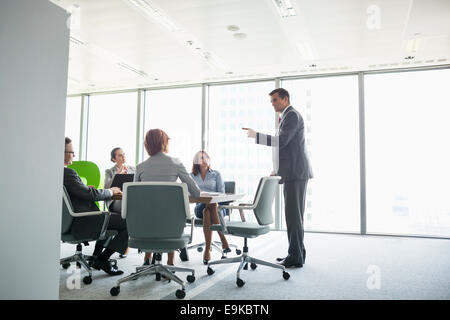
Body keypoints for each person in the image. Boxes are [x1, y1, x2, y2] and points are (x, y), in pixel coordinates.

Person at [243, 88, 313, 268]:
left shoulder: (292, 116)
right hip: (291, 172)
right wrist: (276, 170)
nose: (272, 104)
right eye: (271, 101)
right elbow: (287, 148)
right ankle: (296, 254)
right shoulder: (287, 116)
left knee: (293, 217)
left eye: (275, 100)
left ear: (285, 99)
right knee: (294, 216)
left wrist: (256, 135)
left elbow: (281, 141)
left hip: (296, 174)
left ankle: (296, 256)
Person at [134, 129, 201, 266]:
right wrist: (177, 193)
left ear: (147, 145)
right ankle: (170, 261)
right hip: (172, 224)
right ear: (164, 143)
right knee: (171, 212)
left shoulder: (140, 167)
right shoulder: (175, 163)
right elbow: (196, 192)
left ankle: (147, 257)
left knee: (151, 212)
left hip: (144, 223)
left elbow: (136, 197)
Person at [63, 137, 128, 276]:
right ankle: (103, 259)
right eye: (71, 152)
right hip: (83, 221)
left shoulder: (53, 174)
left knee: (112, 219)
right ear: (62, 153)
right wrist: (111, 191)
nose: (74, 155)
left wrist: (85, 189)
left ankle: (96, 257)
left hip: (69, 221)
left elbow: (79, 193)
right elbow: (91, 195)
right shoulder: (67, 173)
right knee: (128, 222)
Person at [190, 151, 231, 264]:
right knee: (206, 208)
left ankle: (207, 249)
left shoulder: (216, 174)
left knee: (208, 209)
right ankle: (223, 240)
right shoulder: (191, 176)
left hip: (217, 209)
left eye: (206, 157)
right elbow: (188, 193)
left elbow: (222, 194)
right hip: (199, 206)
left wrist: (211, 197)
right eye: (201, 158)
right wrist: (202, 193)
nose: (204, 160)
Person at [104, 147, 136, 258]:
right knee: (130, 210)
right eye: (120, 155)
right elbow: (106, 188)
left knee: (131, 209)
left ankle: (124, 244)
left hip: (130, 199)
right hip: (115, 201)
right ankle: (124, 245)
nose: (123, 157)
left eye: (124, 154)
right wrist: (117, 175)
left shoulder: (133, 169)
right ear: (113, 159)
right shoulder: (109, 171)